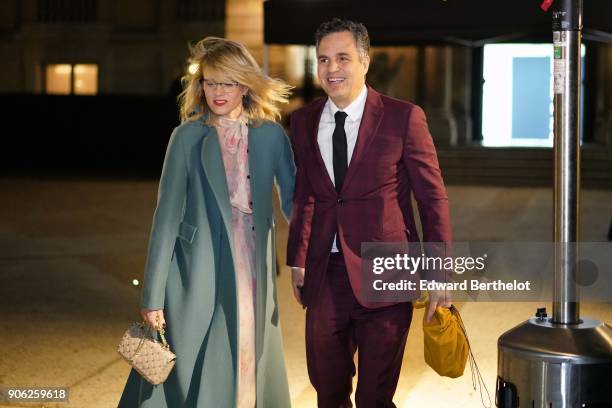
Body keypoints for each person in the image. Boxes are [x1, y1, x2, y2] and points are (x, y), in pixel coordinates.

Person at [119, 37, 295, 408]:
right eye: (210, 81)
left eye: (227, 82)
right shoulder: (185, 137)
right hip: (196, 267)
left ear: (245, 84)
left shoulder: (272, 136)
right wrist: (152, 294)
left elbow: (295, 203)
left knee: (248, 347)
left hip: (251, 265)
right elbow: (166, 217)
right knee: (190, 362)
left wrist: (318, 248)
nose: (217, 91)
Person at [286, 18, 452, 407]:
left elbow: (433, 199)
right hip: (326, 273)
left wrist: (439, 271)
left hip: (387, 272)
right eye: (323, 60)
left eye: (342, 58)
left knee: (375, 395)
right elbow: (306, 194)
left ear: (365, 60)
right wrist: (297, 258)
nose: (332, 69)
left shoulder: (403, 118)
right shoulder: (303, 121)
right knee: (327, 388)